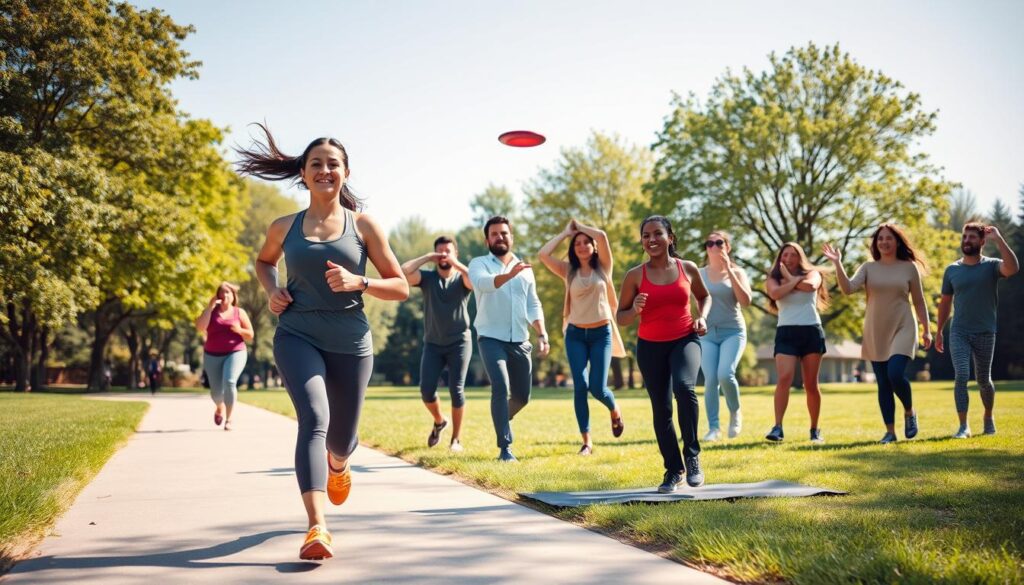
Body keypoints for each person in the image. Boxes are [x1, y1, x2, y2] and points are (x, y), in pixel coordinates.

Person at [239, 124, 409, 560]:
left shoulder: (364, 225)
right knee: (314, 418)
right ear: (303, 174)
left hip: (351, 341)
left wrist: (361, 281)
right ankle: (317, 527)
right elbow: (263, 262)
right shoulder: (284, 226)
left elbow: (401, 286)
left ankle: (339, 464)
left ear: (346, 173)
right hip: (297, 334)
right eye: (316, 164)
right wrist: (271, 289)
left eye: (333, 164)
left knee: (342, 439)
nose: (325, 170)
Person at [616, 215, 710, 492]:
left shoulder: (688, 268)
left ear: (670, 237)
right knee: (662, 408)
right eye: (646, 235)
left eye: (658, 233)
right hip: (650, 346)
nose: (652, 240)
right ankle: (673, 469)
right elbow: (620, 317)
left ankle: (692, 456)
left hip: (685, 339)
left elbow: (704, 296)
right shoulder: (634, 275)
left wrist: (702, 317)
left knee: (684, 388)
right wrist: (634, 309)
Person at [823, 224, 931, 444]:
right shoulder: (868, 267)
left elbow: (919, 301)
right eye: (880, 238)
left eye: (888, 238)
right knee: (883, 383)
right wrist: (837, 263)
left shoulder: (909, 267)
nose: (884, 242)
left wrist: (926, 329)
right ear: (875, 243)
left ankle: (909, 411)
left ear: (897, 241)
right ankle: (890, 432)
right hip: (876, 329)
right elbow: (848, 288)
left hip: (903, 326)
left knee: (895, 373)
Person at [538, 218, 626, 456]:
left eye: (587, 242)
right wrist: (566, 233)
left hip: (601, 334)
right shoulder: (568, 271)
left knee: (597, 388)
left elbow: (603, 237)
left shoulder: (604, 267)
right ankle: (587, 442)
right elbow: (543, 255)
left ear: (593, 246)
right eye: (577, 243)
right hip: (575, 334)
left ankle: (614, 410)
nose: (582, 245)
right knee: (580, 386)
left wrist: (582, 228)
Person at [468, 216, 549, 462]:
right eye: (494, 234)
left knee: (523, 397)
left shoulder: (524, 269)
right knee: (500, 387)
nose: (500, 237)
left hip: (521, 341)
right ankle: (505, 448)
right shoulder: (478, 263)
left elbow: (532, 303)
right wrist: (509, 275)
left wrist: (542, 333)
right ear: (487, 240)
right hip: (490, 338)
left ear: (511, 237)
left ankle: (500, 417)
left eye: (504, 233)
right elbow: (483, 285)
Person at [935, 223, 1019, 438]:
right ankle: (963, 426)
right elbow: (945, 303)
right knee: (961, 375)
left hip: (985, 331)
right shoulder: (952, 270)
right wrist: (939, 331)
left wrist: (998, 238)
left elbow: (1013, 268)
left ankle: (988, 416)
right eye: (965, 237)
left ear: (982, 242)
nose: (967, 241)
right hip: (959, 331)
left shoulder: (992, 266)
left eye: (972, 237)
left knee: (983, 379)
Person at [401, 236, 474, 452]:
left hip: (460, 342)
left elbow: (475, 279)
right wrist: (427, 257)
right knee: (426, 391)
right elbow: (404, 272)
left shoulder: (462, 279)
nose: (443, 255)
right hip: (433, 343)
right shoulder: (428, 278)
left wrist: (455, 263)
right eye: (439, 251)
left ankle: (456, 440)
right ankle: (439, 421)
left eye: (448, 251)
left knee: (456, 390)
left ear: (456, 254)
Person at [764, 242, 829, 444]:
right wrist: (794, 283)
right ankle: (777, 427)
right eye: (785, 255)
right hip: (786, 332)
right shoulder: (773, 278)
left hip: (811, 331)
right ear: (780, 258)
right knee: (784, 378)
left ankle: (814, 429)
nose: (789, 258)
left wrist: (791, 280)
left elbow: (810, 286)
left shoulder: (813, 273)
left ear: (800, 257)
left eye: (793, 255)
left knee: (810, 384)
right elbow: (775, 294)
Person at [698, 230, 752, 441]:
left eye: (719, 242)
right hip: (708, 333)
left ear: (727, 247)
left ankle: (735, 412)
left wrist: (729, 269)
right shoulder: (700, 274)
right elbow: (695, 302)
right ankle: (713, 428)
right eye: (709, 243)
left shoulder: (738, 273)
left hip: (733, 332)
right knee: (711, 379)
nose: (714, 246)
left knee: (725, 374)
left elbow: (746, 302)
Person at [195, 281, 254, 431]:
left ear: (233, 296)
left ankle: (229, 419)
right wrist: (209, 307)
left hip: (236, 351)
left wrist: (239, 330)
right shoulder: (211, 312)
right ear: (217, 296)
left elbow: (250, 335)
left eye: (227, 292)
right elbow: (200, 327)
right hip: (212, 354)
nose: (224, 295)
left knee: (230, 381)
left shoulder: (239, 312)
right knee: (215, 392)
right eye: (221, 293)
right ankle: (219, 407)